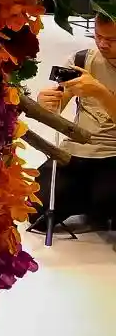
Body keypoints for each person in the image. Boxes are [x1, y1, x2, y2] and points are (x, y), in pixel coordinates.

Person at [33, 14, 116, 230]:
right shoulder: (82, 60)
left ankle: (96, 200)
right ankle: (93, 200)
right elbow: (56, 106)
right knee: (35, 210)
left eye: (112, 40)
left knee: (105, 199)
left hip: (113, 154)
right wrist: (46, 102)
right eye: (98, 36)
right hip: (77, 152)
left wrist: (100, 93)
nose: (103, 44)